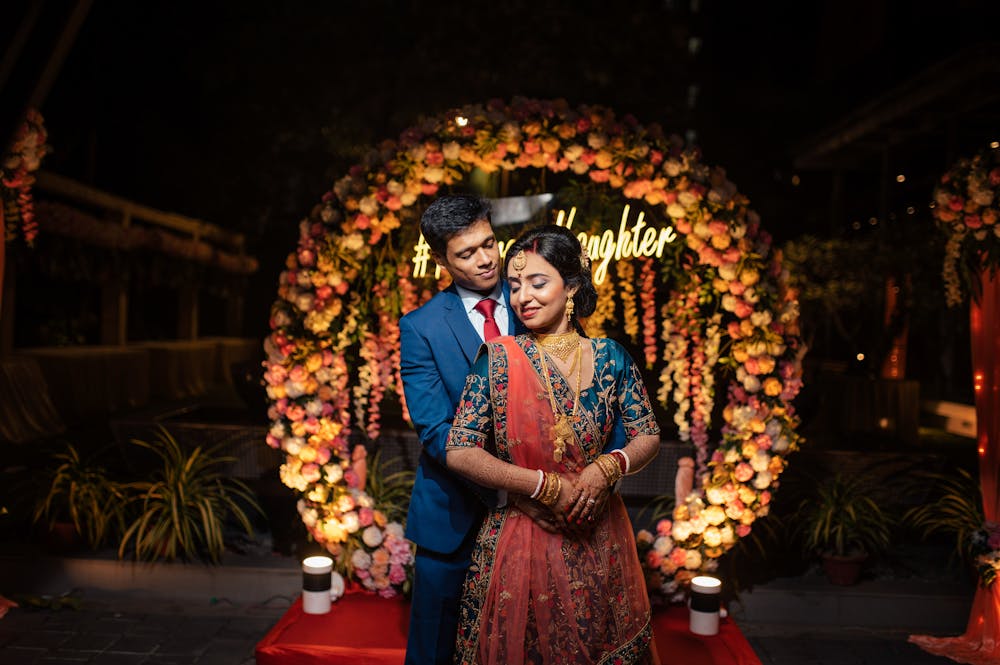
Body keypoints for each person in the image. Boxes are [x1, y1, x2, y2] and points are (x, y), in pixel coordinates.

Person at [445, 224, 662, 664]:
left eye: (538, 283)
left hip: (601, 534)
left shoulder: (611, 356)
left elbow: (648, 435)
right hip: (525, 537)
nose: (522, 297)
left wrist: (606, 467)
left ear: (572, 287)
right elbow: (460, 450)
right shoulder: (498, 359)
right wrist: (543, 486)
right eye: (515, 285)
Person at [400, 194, 532, 665]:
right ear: (440, 261)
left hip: (538, 513)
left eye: (489, 243)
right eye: (467, 253)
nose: (486, 259)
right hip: (451, 513)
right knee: (433, 650)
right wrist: (506, 479)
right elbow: (435, 430)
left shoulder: (535, 301)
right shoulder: (421, 327)